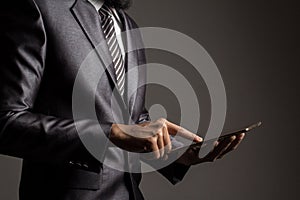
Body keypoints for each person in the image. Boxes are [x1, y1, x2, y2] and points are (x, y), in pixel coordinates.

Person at [0, 0, 245, 199]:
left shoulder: (128, 26)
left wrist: (178, 152)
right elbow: (6, 122)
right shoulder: (38, 8)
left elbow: (132, 121)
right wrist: (110, 133)